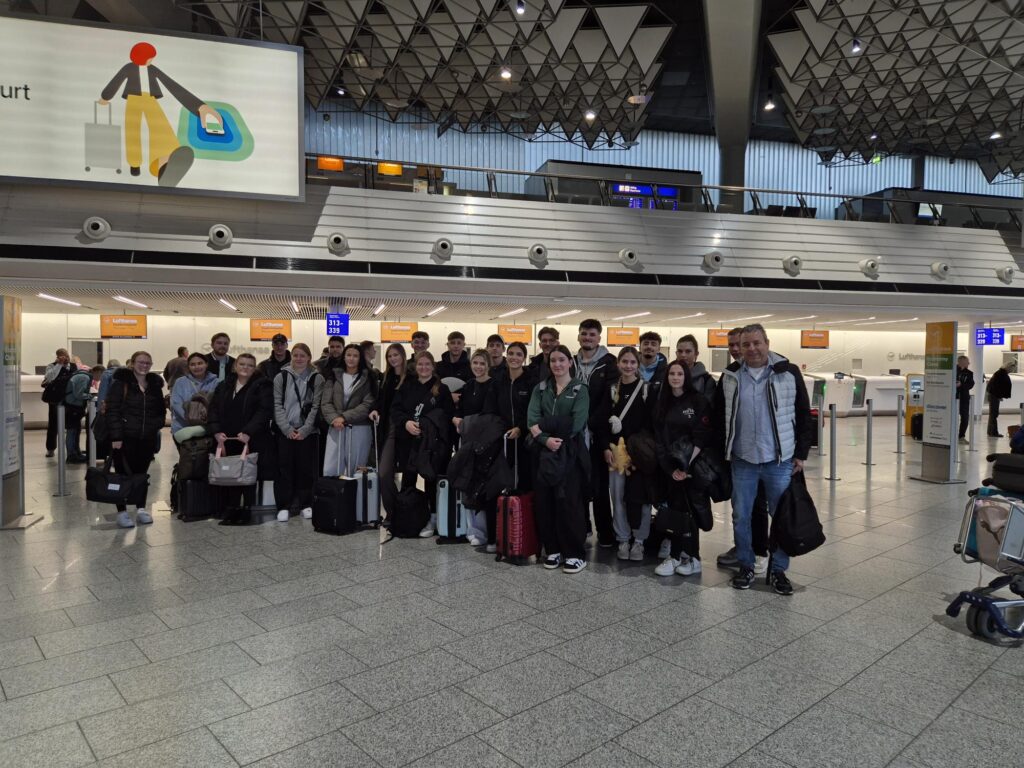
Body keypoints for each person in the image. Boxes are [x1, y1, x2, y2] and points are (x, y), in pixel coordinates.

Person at [714, 324, 811, 595]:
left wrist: (801, 454)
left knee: (780, 516)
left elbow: (804, 413)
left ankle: (779, 570)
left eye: (757, 343)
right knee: (741, 516)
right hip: (743, 460)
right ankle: (746, 565)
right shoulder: (731, 375)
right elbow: (720, 418)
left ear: (767, 342)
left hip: (778, 460)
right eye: (746, 345)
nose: (752, 349)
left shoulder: (787, 372)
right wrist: (725, 453)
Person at [98, 41, 222, 185]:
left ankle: (163, 164)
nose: (152, 60)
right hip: (133, 99)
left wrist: (199, 107)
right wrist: (105, 97)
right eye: (150, 57)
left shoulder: (153, 69)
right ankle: (134, 163)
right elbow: (116, 81)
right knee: (132, 131)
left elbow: (172, 86)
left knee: (160, 126)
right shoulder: (128, 68)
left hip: (150, 99)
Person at [528, 344, 590, 574]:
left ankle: (574, 553)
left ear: (570, 362)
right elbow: (532, 420)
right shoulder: (541, 389)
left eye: (562, 360)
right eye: (553, 360)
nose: (557, 364)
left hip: (570, 452)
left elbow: (576, 424)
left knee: (568, 503)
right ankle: (552, 549)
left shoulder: (580, 389)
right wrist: (545, 439)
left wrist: (543, 427)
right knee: (545, 502)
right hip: (544, 452)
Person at [653, 360, 714, 577]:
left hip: (692, 467)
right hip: (670, 469)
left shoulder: (697, 401)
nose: (675, 377)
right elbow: (659, 439)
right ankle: (676, 555)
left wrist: (685, 465)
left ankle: (693, 557)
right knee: (674, 511)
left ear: (686, 377)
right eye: (672, 374)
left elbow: (702, 435)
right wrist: (670, 469)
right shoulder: (662, 402)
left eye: (679, 374)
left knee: (691, 512)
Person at [716, 326, 769, 573]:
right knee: (741, 508)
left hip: (767, 454)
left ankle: (760, 551)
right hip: (738, 453)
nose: (737, 349)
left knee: (758, 506)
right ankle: (744, 549)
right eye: (733, 345)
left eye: (741, 344)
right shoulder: (729, 375)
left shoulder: (775, 372)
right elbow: (720, 413)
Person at [597, 347, 652, 561]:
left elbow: (650, 422)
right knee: (617, 497)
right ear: (618, 364)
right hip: (615, 454)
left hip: (639, 455)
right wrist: (605, 447)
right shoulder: (611, 389)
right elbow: (602, 422)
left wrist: (636, 443)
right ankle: (622, 539)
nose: (628, 366)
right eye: (624, 362)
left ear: (638, 365)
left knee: (641, 499)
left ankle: (639, 541)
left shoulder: (646, 390)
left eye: (632, 362)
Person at [391, 351, 454, 537]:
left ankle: (432, 519)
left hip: (431, 446)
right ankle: (407, 517)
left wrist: (428, 427)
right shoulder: (407, 386)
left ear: (433, 367)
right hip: (410, 441)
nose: (424, 368)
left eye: (427, 364)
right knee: (408, 480)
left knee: (431, 481)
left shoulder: (441, 389)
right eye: (420, 364)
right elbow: (396, 410)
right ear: (415, 366)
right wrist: (406, 423)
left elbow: (447, 416)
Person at [105, 351, 166, 528]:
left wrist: (155, 425)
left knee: (141, 476)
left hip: (146, 438)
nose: (144, 366)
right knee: (122, 476)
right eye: (141, 362)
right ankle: (122, 512)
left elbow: (160, 411)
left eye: (148, 363)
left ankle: (140, 508)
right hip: (124, 438)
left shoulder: (154, 385)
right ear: (132, 363)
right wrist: (116, 436)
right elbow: (112, 411)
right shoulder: (121, 383)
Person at [484, 341, 534, 552]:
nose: (514, 357)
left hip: (525, 442)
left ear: (524, 357)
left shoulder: (530, 381)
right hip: (502, 440)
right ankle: (496, 536)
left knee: (524, 485)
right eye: (511, 353)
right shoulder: (498, 381)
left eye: (519, 354)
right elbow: (491, 409)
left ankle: (523, 534)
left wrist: (521, 428)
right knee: (497, 485)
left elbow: (534, 411)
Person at [574, 318, 619, 548]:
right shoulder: (571, 362)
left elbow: (609, 400)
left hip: (598, 432)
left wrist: (592, 421)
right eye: (584, 334)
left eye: (592, 334)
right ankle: (582, 528)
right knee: (578, 483)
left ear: (599, 338)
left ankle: (606, 533)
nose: (587, 338)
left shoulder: (610, 363)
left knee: (600, 486)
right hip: (575, 434)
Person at [207, 353, 273, 512]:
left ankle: (246, 509)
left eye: (250, 365)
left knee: (247, 474)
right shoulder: (224, 385)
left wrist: (248, 432)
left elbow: (264, 411)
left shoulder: (263, 385)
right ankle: (230, 508)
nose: (246, 368)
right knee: (228, 473)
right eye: (242, 364)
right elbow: (213, 409)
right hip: (226, 438)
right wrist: (216, 431)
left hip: (250, 438)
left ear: (254, 368)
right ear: (236, 366)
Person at [274, 344, 325, 522]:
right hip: (286, 431)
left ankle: (306, 504)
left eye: (302, 355)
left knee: (306, 470)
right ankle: (284, 506)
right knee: (284, 469)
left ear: (309, 357)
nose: (298, 358)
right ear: (291, 357)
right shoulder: (281, 377)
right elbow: (277, 405)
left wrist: (305, 429)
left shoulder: (317, 378)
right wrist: (287, 429)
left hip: (308, 433)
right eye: (295, 355)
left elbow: (317, 406)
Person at [321, 343, 377, 479]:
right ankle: (335, 499)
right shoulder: (333, 375)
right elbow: (326, 402)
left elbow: (367, 404)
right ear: (344, 357)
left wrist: (344, 417)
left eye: (355, 356)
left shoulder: (368, 377)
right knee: (332, 468)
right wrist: (335, 419)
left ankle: (356, 499)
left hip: (359, 428)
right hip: (336, 427)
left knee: (357, 469)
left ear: (360, 358)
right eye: (349, 355)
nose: (351, 358)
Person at [370, 343, 408, 520]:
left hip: (408, 430)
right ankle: (391, 513)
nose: (393, 358)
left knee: (410, 476)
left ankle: (407, 512)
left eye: (396, 355)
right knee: (384, 473)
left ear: (403, 356)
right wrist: (375, 409)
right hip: (390, 429)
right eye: (389, 356)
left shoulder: (411, 377)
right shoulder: (387, 377)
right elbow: (380, 401)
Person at [170, 353, 218, 434]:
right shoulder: (180, 382)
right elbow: (176, 404)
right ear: (188, 367)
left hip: (208, 429)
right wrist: (191, 419)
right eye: (193, 364)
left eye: (200, 363)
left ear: (206, 364)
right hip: (183, 428)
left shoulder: (216, 382)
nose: (197, 367)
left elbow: (217, 405)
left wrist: (205, 420)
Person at [453, 350, 494, 436]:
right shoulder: (469, 384)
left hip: (485, 434)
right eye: (475, 363)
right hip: (466, 432)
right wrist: (456, 419)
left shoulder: (494, 385)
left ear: (488, 366)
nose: (478, 366)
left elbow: (488, 413)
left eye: (482, 364)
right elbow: (460, 408)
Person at [42, 348, 74, 457]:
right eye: (61, 356)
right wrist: (59, 365)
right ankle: (50, 448)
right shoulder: (52, 366)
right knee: (53, 424)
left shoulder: (73, 366)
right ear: (57, 356)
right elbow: (50, 378)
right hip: (54, 399)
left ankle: (72, 448)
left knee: (71, 424)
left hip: (70, 399)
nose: (65, 357)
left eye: (66, 355)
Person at [63, 365, 97, 463]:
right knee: (72, 431)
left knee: (75, 430)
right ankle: (71, 455)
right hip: (72, 406)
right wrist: (91, 396)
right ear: (97, 372)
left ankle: (76, 453)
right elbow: (79, 394)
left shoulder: (83, 375)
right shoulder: (84, 377)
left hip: (72, 406)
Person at [676, 334, 716, 403]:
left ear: (696, 354)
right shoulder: (668, 376)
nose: (683, 355)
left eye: (688, 351)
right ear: (676, 353)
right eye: (680, 351)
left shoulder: (706, 380)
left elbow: (708, 408)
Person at [987, 360, 1016, 437]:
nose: (1012, 370)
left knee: (993, 414)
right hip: (994, 396)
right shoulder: (1000, 374)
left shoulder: (1000, 373)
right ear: (1008, 367)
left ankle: (990, 431)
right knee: (994, 414)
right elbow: (996, 386)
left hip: (994, 395)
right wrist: (999, 396)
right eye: (1012, 369)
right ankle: (993, 432)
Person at [957, 355, 975, 443]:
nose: (969, 363)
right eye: (967, 362)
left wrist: (961, 385)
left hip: (964, 398)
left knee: (965, 418)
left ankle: (961, 436)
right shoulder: (953, 371)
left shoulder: (969, 373)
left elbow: (970, 385)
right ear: (961, 362)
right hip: (953, 398)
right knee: (951, 417)